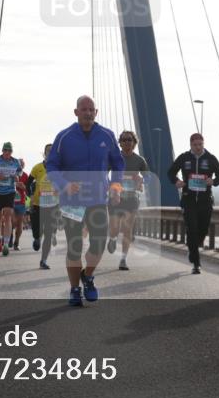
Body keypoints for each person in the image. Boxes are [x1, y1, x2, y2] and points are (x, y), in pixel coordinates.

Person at [45, 95, 124, 306]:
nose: (88, 113)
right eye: (84, 109)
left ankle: (87, 276)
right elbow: (51, 166)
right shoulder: (64, 137)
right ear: (76, 112)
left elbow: (118, 164)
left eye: (91, 109)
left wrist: (116, 187)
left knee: (98, 243)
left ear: (96, 112)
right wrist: (64, 184)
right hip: (72, 201)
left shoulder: (107, 135)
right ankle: (74, 289)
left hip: (98, 199)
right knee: (74, 246)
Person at [167, 133, 219, 275]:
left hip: (205, 200)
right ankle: (196, 262)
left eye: (200, 144)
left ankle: (193, 247)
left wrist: (214, 181)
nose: (198, 147)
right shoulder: (184, 157)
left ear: (203, 144)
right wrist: (177, 182)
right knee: (192, 229)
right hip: (189, 199)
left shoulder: (210, 158)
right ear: (190, 145)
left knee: (203, 230)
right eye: (195, 145)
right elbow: (170, 172)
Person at [108, 130, 148, 271]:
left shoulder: (139, 160)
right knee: (114, 228)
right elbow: (103, 173)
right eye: (124, 140)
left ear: (134, 143)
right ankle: (112, 239)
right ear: (120, 143)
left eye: (129, 139)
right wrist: (109, 185)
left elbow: (148, 177)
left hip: (132, 198)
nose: (127, 142)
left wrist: (142, 179)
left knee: (127, 229)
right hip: (115, 197)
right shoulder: (114, 158)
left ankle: (123, 259)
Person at [27, 144, 58, 269]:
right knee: (37, 231)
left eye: (52, 151)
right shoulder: (37, 168)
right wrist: (31, 195)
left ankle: (43, 260)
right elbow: (28, 182)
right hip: (37, 204)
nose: (50, 153)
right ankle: (36, 238)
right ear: (44, 153)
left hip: (53, 205)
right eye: (48, 151)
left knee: (49, 233)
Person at [12, 160, 29, 250]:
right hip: (11, 201)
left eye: (22, 164)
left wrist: (23, 187)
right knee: (13, 221)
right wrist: (14, 183)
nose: (20, 165)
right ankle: (9, 234)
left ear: (24, 165)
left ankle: (16, 242)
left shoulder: (26, 176)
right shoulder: (12, 173)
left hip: (21, 202)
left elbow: (28, 189)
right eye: (19, 164)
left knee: (19, 223)